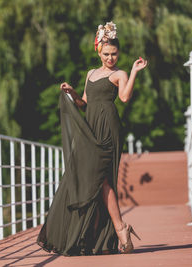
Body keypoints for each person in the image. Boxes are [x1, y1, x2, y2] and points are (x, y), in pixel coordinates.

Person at [37, 22, 148, 255]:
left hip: (108, 129)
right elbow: (84, 103)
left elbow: (125, 98)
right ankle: (98, 236)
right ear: (98, 51)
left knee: (102, 180)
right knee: (92, 181)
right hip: (90, 129)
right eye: (106, 54)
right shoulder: (90, 74)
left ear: (119, 53)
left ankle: (120, 229)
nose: (110, 58)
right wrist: (72, 92)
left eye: (114, 54)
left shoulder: (120, 73)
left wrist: (135, 71)